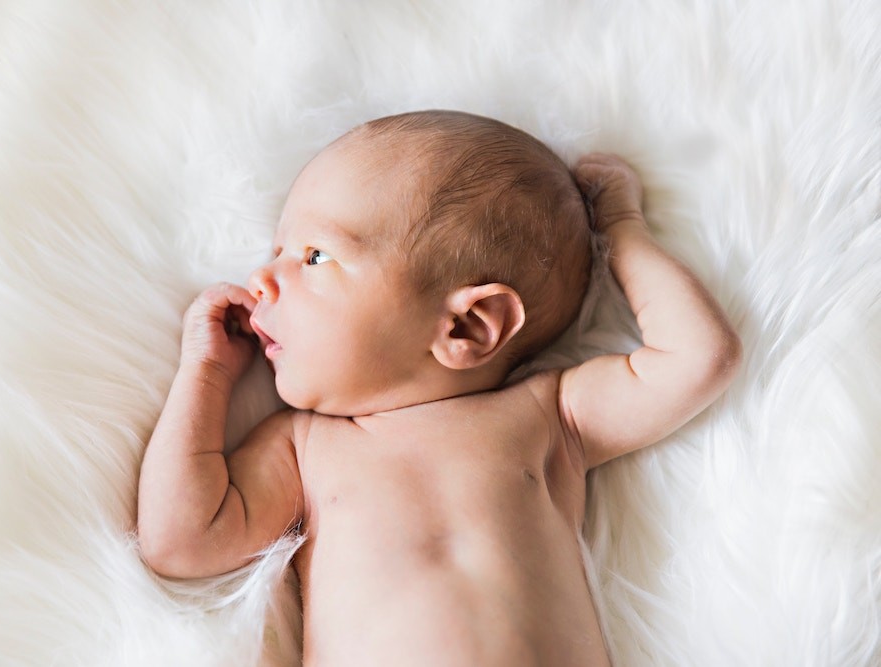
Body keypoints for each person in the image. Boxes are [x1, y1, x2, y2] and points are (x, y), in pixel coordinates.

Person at [136, 110, 742, 666]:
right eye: (278, 252)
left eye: (315, 256)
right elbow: (182, 540)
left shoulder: (552, 416)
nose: (260, 279)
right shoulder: (303, 448)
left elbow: (699, 357)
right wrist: (206, 372)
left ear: (466, 326)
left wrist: (621, 230)